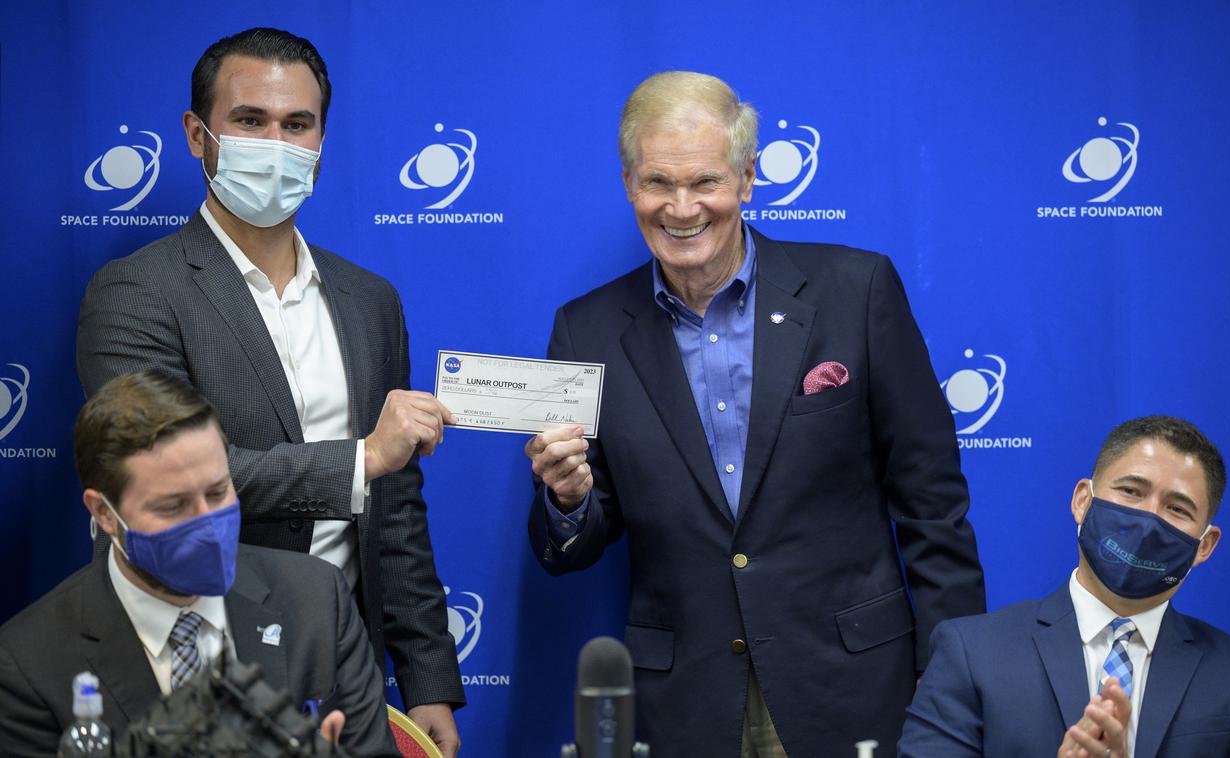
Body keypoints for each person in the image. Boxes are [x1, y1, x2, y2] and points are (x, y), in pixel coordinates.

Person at [523, 71, 985, 757]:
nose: (682, 208)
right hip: (688, 705)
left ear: (747, 177)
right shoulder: (584, 330)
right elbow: (577, 542)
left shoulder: (856, 292)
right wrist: (567, 499)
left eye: (705, 181)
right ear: (628, 184)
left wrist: (953, 675)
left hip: (853, 686)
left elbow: (933, 502)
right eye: (658, 182)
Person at [75, 27, 463, 752]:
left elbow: (395, 509)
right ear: (198, 135)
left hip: (346, 668)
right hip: (193, 664)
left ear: (321, 143)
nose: (276, 145)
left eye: (297, 124)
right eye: (250, 121)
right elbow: (167, 485)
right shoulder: (135, 292)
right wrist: (361, 459)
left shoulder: (369, 301)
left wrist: (427, 676)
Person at [0, 371, 398, 756]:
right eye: (173, 506)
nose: (208, 526)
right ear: (104, 513)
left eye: (217, 492)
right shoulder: (27, 665)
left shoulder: (317, 599)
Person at [899, 415, 1230, 757]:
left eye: (1177, 509)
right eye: (1131, 491)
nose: (1148, 522)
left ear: (1205, 545)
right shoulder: (971, 653)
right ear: (1083, 500)